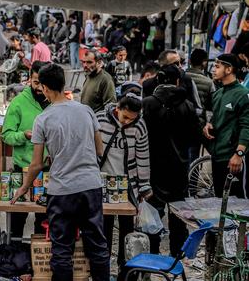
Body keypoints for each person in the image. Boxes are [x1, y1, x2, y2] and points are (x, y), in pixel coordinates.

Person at [12, 63, 110, 281]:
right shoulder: (86, 111)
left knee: (62, 250)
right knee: (98, 246)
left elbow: (36, 164)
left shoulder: (43, 119)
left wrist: (23, 188)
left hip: (62, 191)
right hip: (90, 186)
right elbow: (99, 149)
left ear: (45, 88)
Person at [143, 64, 199, 255]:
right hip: (179, 166)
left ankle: (153, 251)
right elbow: (194, 137)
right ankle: (177, 252)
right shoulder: (188, 105)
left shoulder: (148, 103)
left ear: (158, 80)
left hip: (154, 166)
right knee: (178, 212)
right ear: (177, 81)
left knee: (152, 213)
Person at [96, 95, 151, 278]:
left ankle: (126, 270)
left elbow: (143, 157)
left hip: (129, 185)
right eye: (125, 117)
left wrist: (144, 186)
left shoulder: (139, 126)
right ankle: (103, 270)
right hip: (103, 183)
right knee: (104, 229)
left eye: (132, 119)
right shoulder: (100, 119)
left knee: (128, 229)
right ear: (117, 108)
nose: (127, 121)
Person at [2, 61, 50, 240]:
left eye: (43, 83)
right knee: (17, 222)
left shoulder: (55, 102)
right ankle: (16, 259)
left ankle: (38, 260)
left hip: (48, 172)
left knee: (44, 222)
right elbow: (6, 135)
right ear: (30, 79)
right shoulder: (18, 103)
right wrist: (23, 135)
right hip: (22, 170)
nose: (39, 87)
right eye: (36, 82)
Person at [204, 54, 249, 198]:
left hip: (233, 160)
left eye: (217, 66)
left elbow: (246, 127)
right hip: (217, 156)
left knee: (236, 206)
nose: (213, 70)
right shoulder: (218, 94)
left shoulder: (242, 94)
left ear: (229, 69)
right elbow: (216, 119)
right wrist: (208, 125)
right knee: (219, 201)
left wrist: (239, 154)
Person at [186, 48, 215, 115]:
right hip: (199, 120)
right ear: (204, 62)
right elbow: (211, 107)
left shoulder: (180, 77)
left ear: (190, 61)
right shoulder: (209, 82)